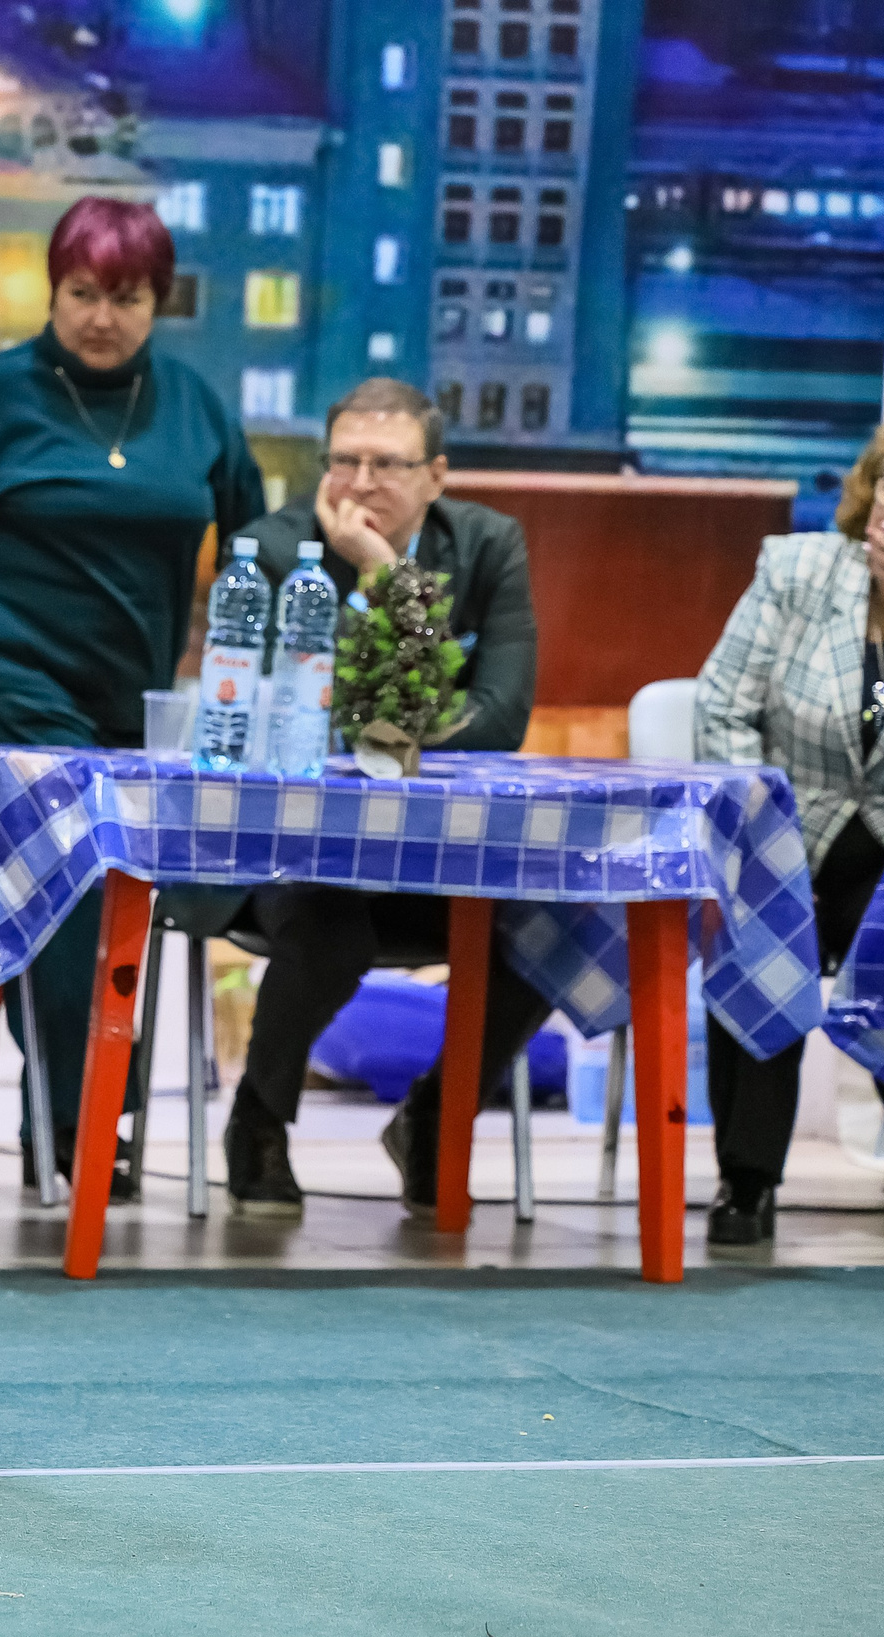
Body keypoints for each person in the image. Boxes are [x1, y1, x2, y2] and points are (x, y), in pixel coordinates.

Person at [0, 195, 268, 1197]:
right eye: (82, 294)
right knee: (71, 885)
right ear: (54, 293)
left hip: (136, 690)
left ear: (158, 302)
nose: (101, 317)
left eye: (126, 297)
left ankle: (71, 1115)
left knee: (117, 894)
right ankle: (82, 1128)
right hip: (6, 670)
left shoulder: (194, 406)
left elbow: (252, 532)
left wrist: (252, 646)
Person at [221, 378, 543, 1218]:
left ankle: (435, 1116)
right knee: (329, 924)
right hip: (298, 855)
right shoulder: (273, 553)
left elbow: (501, 716)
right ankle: (258, 1117)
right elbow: (310, 716)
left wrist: (388, 574)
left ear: (436, 474)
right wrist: (415, 698)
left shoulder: (489, 543)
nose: (360, 482)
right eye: (344, 460)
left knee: (552, 928)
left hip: (440, 856)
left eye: (387, 464)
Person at [692, 424, 884, 1246]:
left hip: (881, 855)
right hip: (782, 822)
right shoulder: (800, 570)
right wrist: (766, 839)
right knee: (766, 921)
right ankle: (748, 1179)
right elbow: (722, 706)